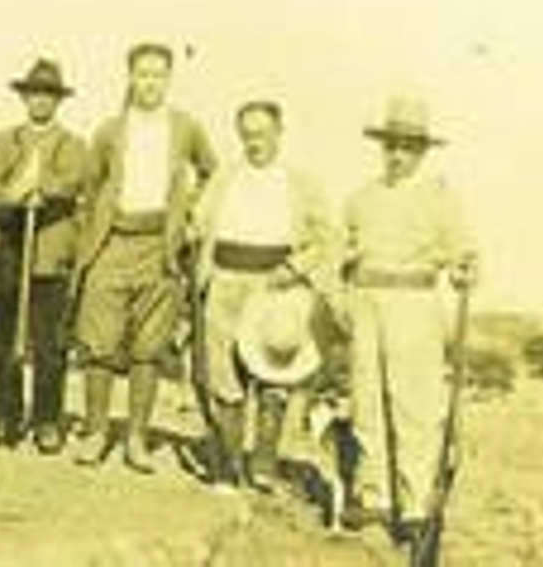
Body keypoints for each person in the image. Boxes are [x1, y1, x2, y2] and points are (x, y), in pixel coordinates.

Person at [70, 42, 216, 473]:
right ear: (130, 77)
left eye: (158, 74)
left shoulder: (185, 127)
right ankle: (96, 433)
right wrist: (96, 231)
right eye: (143, 74)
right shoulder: (110, 130)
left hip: (160, 246)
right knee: (98, 342)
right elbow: (91, 186)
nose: (150, 83)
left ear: (168, 79)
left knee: (147, 349)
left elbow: (212, 170)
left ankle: (136, 438)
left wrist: (188, 210)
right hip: (112, 242)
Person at [340, 97, 477, 555]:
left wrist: (464, 270)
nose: (398, 156)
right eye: (392, 147)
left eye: (408, 148)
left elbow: (464, 255)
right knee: (367, 400)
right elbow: (345, 249)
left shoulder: (441, 199)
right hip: (366, 300)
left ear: (423, 152)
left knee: (413, 405)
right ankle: (373, 495)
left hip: (415, 303)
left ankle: (416, 506)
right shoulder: (361, 199)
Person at [192, 99, 337, 490]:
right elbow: (199, 225)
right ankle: (227, 462)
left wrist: (295, 269)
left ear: (279, 134)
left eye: (263, 134)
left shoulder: (300, 182)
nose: (255, 142)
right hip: (226, 279)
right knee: (223, 375)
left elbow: (327, 237)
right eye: (247, 134)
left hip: (276, 285)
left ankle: (264, 462)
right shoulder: (225, 178)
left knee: (273, 371)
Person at [0, 58, 86, 453]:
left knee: (48, 342)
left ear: (58, 101)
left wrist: (45, 188)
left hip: (50, 252)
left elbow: (74, 181)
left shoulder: (73, 144)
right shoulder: (5, 140)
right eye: (34, 94)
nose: (40, 102)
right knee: (5, 337)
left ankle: (46, 420)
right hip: (9, 246)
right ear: (24, 98)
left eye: (48, 95)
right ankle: (6, 415)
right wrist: (15, 195)